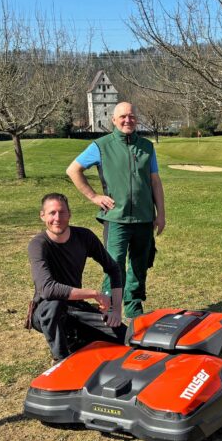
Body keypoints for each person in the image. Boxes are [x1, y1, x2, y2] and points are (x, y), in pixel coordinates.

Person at [66, 102, 166, 321]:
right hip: (116, 218)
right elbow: (73, 170)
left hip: (144, 217)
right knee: (114, 263)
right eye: (122, 116)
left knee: (140, 263)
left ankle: (133, 305)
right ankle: (110, 306)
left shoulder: (147, 147)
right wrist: (94, 196)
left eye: (131, 116)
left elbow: (155, 181)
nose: (127, 120)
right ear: (113, 120)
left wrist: (161, 214)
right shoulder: (101, 146)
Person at [27, 193, 126, 361]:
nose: (57, 218)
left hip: (76, 307)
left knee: (124, 337)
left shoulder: (84, 237)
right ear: (42, 216)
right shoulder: (38, 244)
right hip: (46, 311)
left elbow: (113, 269)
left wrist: (116, 310)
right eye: (52, 213)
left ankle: (77, 339)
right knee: (55, 304)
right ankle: (61, 359)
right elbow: (47, 289)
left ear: (69, 214)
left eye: (62, 212)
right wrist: (94, 293)